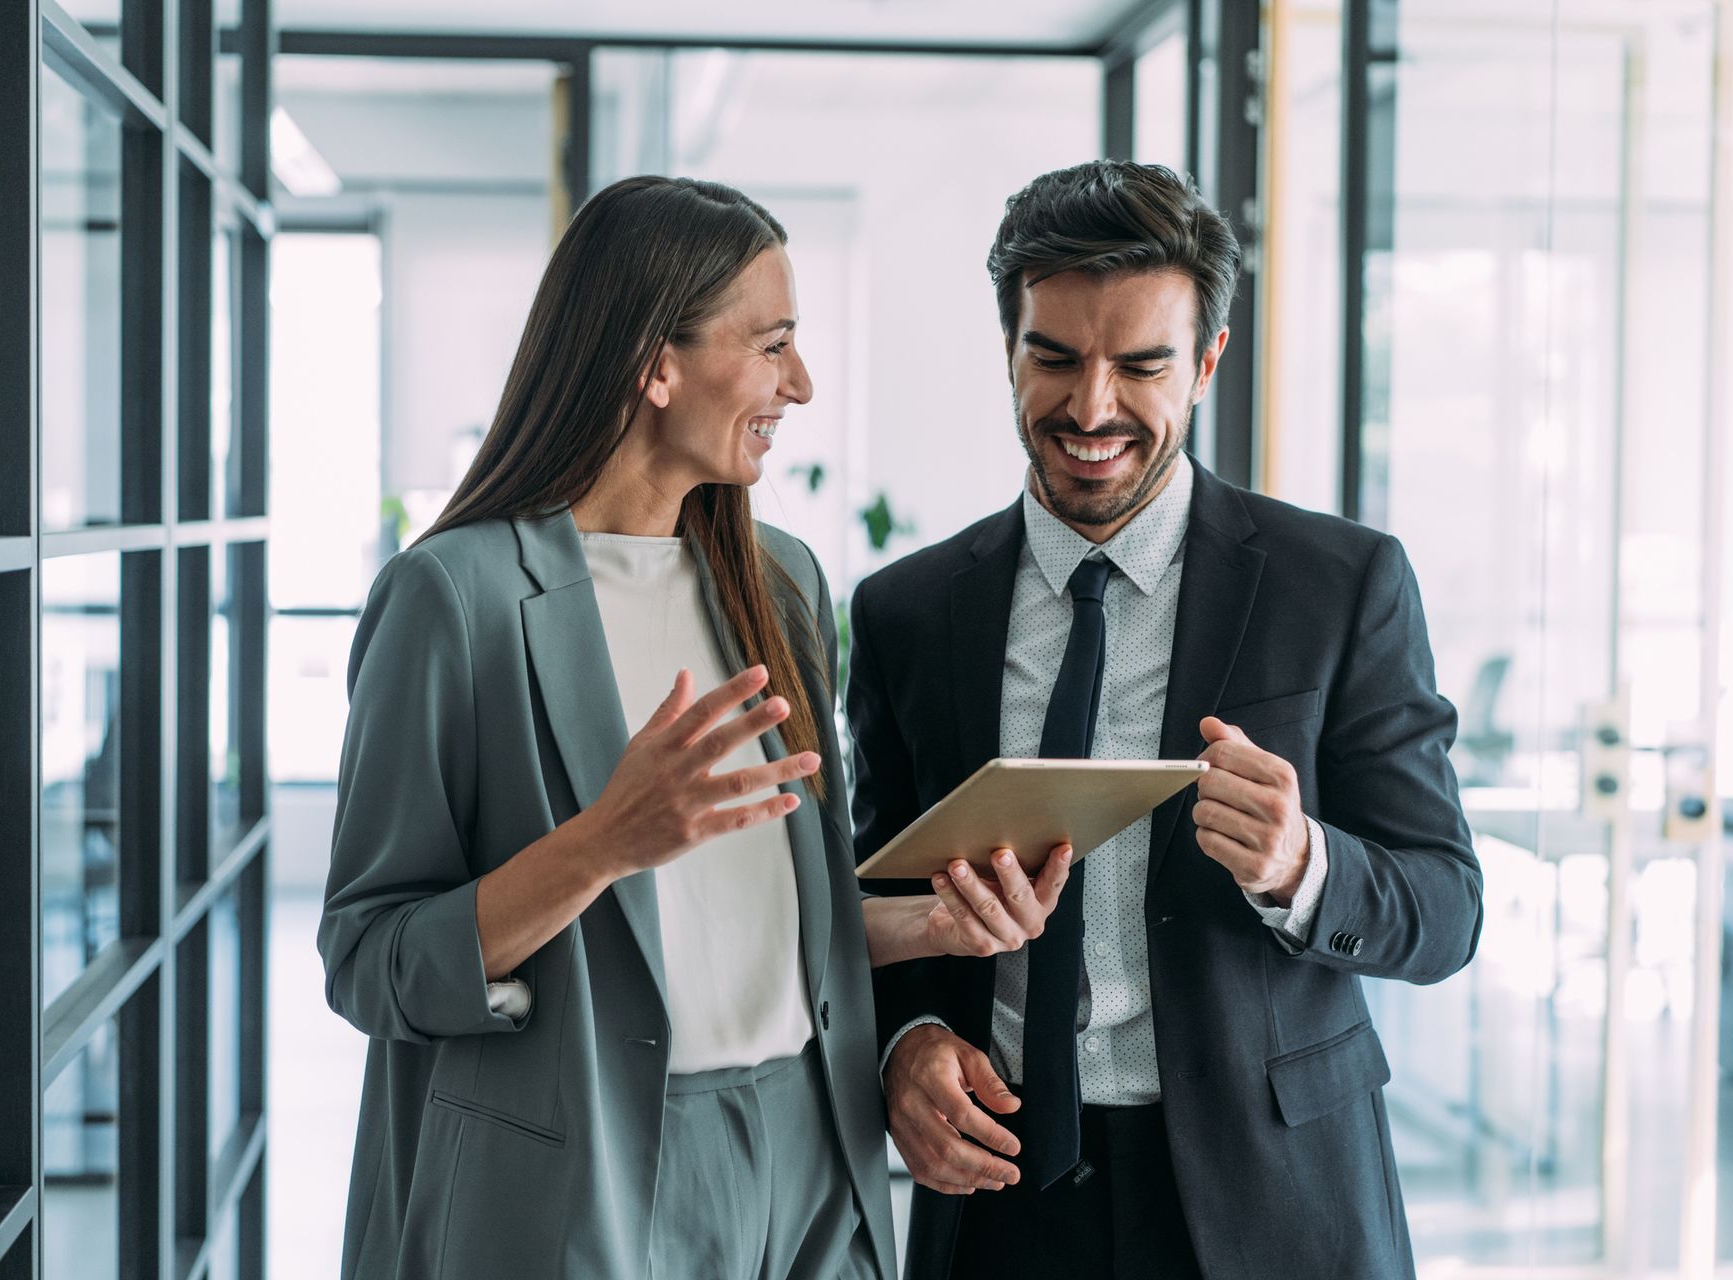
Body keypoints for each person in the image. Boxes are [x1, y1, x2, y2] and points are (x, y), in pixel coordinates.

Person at [319, 175, 1070, 1280]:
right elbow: (370, 960)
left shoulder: (781, 582)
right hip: (589, 1174)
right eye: (771, 344)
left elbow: (760, 915)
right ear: (654, 364)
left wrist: (937, 927)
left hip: (809, 1157)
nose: (800, 383)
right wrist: (604, 841)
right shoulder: (455, 599)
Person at [848, 160, 1485, 1280]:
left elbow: (1446, 905)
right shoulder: (905, 612)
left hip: (1274, 1203)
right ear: (1009, 350)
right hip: (1000, 1199)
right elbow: (879, 896)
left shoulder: (1338, 584)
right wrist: (907, 1043)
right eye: (1054, 359)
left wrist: (1304, 865)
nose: (1090, 409)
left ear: (1205, 363)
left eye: (1141, 365)